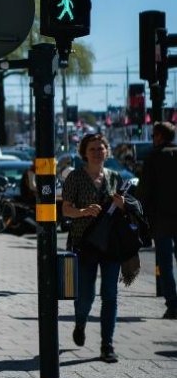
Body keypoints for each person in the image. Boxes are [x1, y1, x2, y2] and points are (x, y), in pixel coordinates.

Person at [62, 133, 125, 363]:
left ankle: (106, 345)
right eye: (92, 149)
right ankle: (80, 322)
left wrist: (123, 206)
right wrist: (83, 211)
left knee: (110, 296)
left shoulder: (116, 177)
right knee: (86, 295)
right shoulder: (76, 178)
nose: (97, 152)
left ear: (107, 151)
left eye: (101, 148)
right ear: (84, 153)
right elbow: (65, 210)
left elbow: (124, 212)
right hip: (84, 243)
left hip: (110, 245)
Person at [139, 121, 177, 319]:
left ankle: (173, 304)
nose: (153, 139)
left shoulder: (153, 157)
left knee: (165, 263)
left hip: (161, 218)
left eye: (154, 135)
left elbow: (145, 191)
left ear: (160, 136)